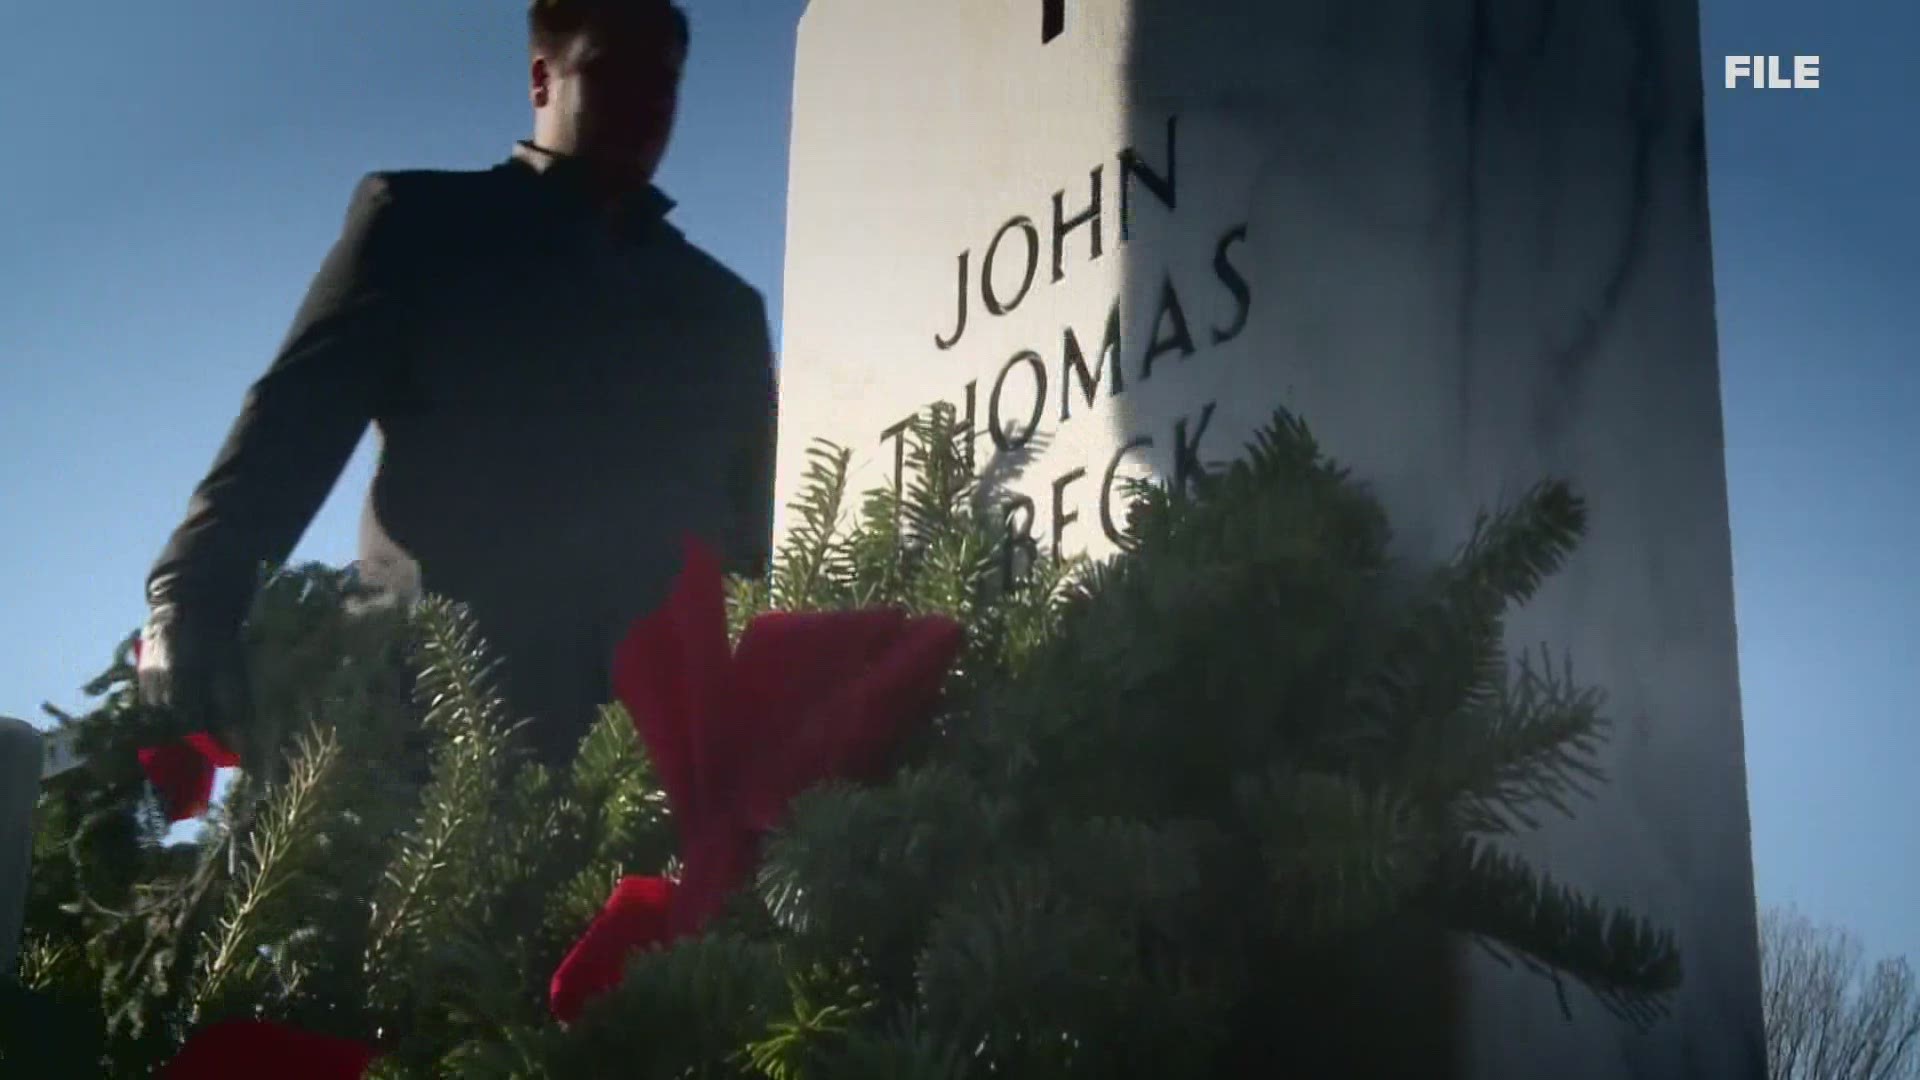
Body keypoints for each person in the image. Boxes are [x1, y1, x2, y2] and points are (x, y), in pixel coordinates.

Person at [135, 0, 777, 771]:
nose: (646, 105)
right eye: (613, 73)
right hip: (430, 738)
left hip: (650, 763)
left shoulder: (723, 310)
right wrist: (186, 595)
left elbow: (753, 539)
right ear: (543, 78)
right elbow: (285, 434)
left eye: (664, 81)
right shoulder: (423, 226)